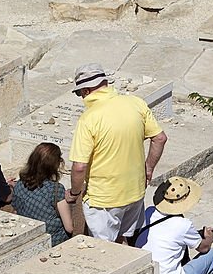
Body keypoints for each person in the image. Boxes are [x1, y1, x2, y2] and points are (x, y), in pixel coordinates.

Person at [67, 63, 168, 243]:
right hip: (134, 190)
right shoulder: (136, 103)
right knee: (124, 240)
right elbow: (159, 138)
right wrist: (149, 168)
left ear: (86, 91)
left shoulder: (89, 118)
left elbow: (80, 166)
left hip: (103, 198)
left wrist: (74, 193)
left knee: (104, 249)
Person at [132, 177, 213, 274]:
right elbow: (203, 248)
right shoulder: (183, 224)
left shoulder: (149, 212)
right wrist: (209, 237)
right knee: (212, 255)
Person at [14, 142, 73, 247]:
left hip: (29, 234)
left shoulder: (19, 184)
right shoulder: (56, 189)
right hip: (53, 240)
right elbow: (69, 227)